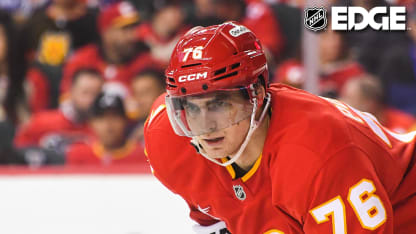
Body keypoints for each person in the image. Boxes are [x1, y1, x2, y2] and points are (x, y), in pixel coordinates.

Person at [143, 22, 416, 233]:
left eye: (220, 104)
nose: (205, 125)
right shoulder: (165, 138)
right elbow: (209, 215)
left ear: (257, 94)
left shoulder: (318, 154)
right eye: (191, 107)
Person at [59, 1, 158, 100]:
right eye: (124, 29)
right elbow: (67, 104)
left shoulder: (147, 64)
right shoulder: (81, 61)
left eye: (133, 28)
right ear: (106, 32)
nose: (131, 35)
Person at [14, 68, 103, 157]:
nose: (91, 100)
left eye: (95, 94)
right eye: (85, 93)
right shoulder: (41, 122)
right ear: (71, 91)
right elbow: (18, 154)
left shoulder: (105, 130)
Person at [66, 93, 146, 165]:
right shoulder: (79, 155)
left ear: (125, 120)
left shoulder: (142, 155)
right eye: (101, 117)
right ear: (92, 122)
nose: (108, 124)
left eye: (115, 116)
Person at [340, 74, 416, 134]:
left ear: (369, 103)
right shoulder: (349, 130)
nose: (341, 102)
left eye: (348, 97)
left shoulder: (407, 126)